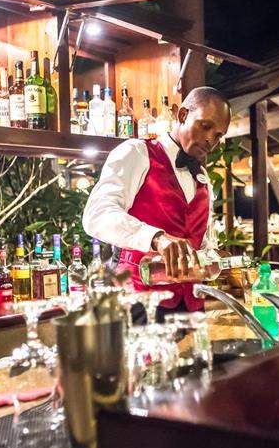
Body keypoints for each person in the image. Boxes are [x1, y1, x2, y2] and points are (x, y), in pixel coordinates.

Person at [82, 86, 231, 318]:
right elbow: (96, 214)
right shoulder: (136, 153)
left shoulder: (202, 177)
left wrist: (212, 255)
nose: (211, 139)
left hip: (192, 306)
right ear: (182, 115)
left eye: (219, 135)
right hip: (138, 303)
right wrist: (156, 238)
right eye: (205, 126)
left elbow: (198, 241)